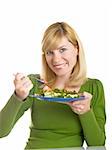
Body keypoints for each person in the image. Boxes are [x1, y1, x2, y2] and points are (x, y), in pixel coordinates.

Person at [0, 22, 106, 149]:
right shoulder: (34, 84)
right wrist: (17, 97)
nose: (56, 59)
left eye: (62, 50)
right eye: (50, 52)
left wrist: (85, 112)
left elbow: (97, 144)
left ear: (76, 49)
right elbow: (1, 132)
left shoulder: (93, 87)